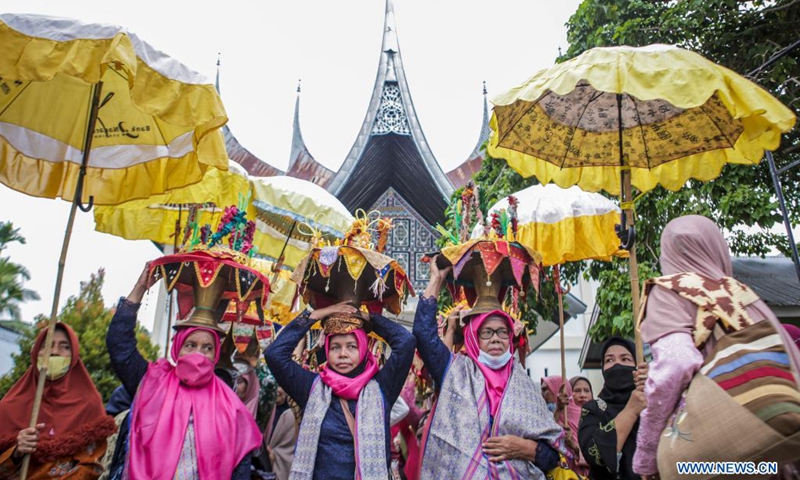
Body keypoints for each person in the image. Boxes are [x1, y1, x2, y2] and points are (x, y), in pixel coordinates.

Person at [632, 215, 800, 479]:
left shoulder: (669, 290)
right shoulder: (746, 296)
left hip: (715, 457)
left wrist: (646, 455)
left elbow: (676, 364)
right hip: (772, 452)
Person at [106, 265, 262, 480]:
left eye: (207, 348)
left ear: (216, 354)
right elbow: (119, 346)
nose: (198, 354)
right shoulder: (152, 382)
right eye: (190, 345)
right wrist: (140, 288)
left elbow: (239, 466)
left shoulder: (231, 406)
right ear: (177, 348)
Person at [413, 260, 565, 479]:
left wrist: (526, 448)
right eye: (487, 333)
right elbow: (423, 334)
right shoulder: (453, 371)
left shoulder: (525, 387)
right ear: (474, 337)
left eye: (503, 332)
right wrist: (436, 279)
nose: (496, 338)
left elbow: (553, 458)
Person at [264, 301, 416, 480]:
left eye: (351, 346)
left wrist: (368, 318)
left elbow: (406, 342)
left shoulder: (382, 387)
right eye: (336, 347)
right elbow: (274, 354)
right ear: (327, 350)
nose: (343, 353)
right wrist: (318, 314)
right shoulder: (310, 388)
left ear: (363, 349)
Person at [0, 323, 116, 479]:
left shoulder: (89, 404)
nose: (54, 352)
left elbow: (91, 467)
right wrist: (16, 451)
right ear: (35, 354)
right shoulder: (9, 407)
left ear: (74, 355)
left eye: (65, 347)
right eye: (47, 346)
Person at [578, 336, 648, 480]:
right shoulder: (593, 409)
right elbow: (594, 454)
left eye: (625, 359)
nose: (617, 365)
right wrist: (631, 410)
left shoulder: (653, 403)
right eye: (609, 360)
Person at [542, 376, 587, 477]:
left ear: (557, 389)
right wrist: (558, 410)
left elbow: (593, 452)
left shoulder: (583, 415)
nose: (542, 394)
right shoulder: (545, 415)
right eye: (541, 390)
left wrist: (573, 445)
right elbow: (544, 439)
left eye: (545, 389)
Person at [264, 387, 297, 480]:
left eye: (281, 386)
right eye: (274, 385)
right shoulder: (266, 411)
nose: (277, 390)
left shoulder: (291, 414)